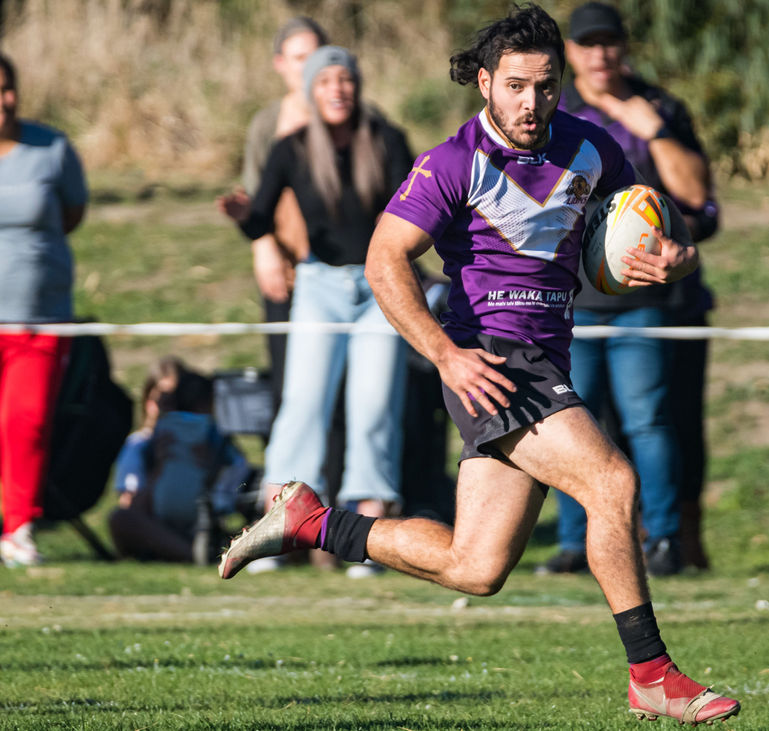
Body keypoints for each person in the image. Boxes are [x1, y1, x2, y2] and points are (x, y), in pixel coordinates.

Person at [218, 6, 741, 725]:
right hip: (493, 361)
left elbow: (650, 213)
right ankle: (651, 673)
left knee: (476, 566)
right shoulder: (451, 163)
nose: (533, 103)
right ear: (486, 83)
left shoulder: (589, 148)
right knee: (612, 481)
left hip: (542, 359)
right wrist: (445, 354)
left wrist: (672, 252)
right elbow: (383, 259)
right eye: (518, 86)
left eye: (547, 86)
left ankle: (313, 521)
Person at [218, 46, 415, 573]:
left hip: (380, 288)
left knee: (374, 407)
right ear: (310, 89)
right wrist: (243, 217)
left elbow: (414, 210)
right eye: (325, 80)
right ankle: (272, 532)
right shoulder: (291, 148)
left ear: (357, 85)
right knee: (302, 404)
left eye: (345, 78)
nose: (337, 88)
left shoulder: (388, 141)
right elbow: (260, 218)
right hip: (318, 286)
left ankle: (368, 538)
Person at [539, 1, 718, 576]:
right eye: (587, 44)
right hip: (573, 303)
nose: (600, 54)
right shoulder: (553, 109)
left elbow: (700, 203)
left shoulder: (658, 107)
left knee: (649, 421)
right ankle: (574, 543)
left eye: (609, 42)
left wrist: (654, 131)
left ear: (623, 47)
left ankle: (663, 540)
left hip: (646, 301)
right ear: (572, 53)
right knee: (573, 422)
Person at [0, 52, 88, 568]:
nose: (3, 100)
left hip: (40, 317)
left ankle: (18, 528)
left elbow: (72, 214)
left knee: (25, 422)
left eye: (8, 87)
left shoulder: (52, 148)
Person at [241, 17, 328, 413]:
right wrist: (263, 248)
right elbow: (253, 196)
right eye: (299, 58)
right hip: (286, 268)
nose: (309, 68)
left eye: (316, 57)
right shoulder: (266, 124)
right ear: (280, 64)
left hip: (343, 269)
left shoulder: (357, 119)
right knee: (289, 381)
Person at [108, 367, 249, 563]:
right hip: (157, 523)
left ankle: (204, 551)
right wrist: (160, 468)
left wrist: (211, 470)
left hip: (203, 519)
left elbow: (238, 473)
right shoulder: (141, 444)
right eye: (163, 400)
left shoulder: (211, 434)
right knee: (121, 519)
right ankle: (196, 554)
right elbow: (129, 503)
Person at [112, 356, 184, 509]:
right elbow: (129, 505)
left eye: (175, 401)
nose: (167, 408)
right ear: (147, 401)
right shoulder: (138, 445)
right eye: (161, 400)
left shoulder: (201, 440)